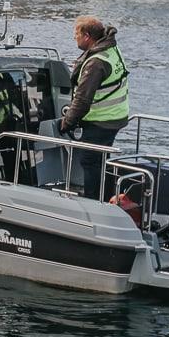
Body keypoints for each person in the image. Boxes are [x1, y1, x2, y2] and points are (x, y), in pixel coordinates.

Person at [60, 15, 130, 200]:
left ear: (87, 36)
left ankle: (93, 203)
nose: (74, 37)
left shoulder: (96, 63)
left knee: (90, 161)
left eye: (76, 33)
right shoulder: (111, 49)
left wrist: (66, 123)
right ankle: (106, 198)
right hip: (116, 117)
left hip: (101, 120)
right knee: (100, 160)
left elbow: (82, 100)